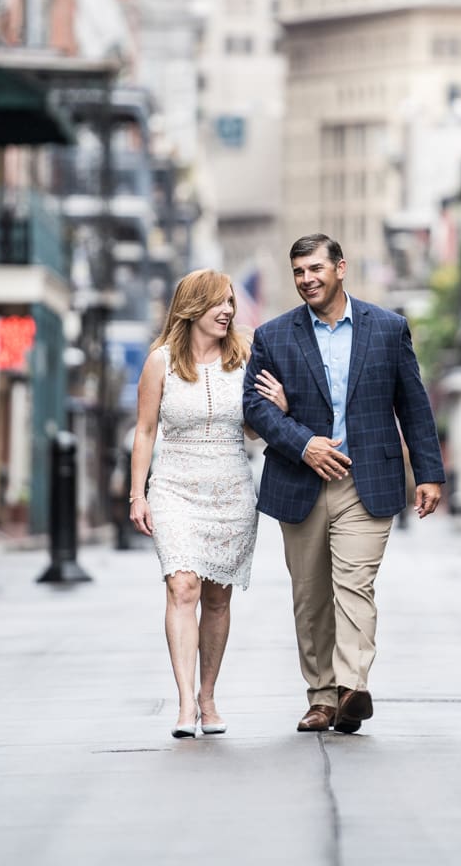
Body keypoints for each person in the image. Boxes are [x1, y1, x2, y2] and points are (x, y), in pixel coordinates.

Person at [242, 234, 446, 735]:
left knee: (355, 584)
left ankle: (352, 688)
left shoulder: (388, 328)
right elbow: (253, 407)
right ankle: (321, 698)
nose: (307, 279)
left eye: (315, 269)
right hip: (301, 479)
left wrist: (429, 473)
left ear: (341, 268)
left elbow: (413, 404)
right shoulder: (274, 336)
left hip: (366, 478)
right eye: (298, 272)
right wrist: (304, 442)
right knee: (311, 596)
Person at [128, 268, 287, 739]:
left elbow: (255, 430)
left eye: (231, 302)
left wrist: (277, 406)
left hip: (231, 489)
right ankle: (183, 703)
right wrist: (139, 493)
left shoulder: (246, 360)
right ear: (192, 307)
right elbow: (144, 430)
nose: (228, 311)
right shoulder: (160, 362)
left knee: (217, 598)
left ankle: (208, 697)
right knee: (183, 587)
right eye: (219, 302)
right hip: (175, 487)